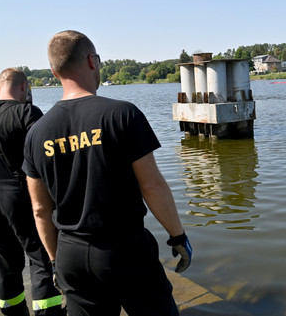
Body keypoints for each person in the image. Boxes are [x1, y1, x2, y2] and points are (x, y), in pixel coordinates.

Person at [22, 30, 193, 316]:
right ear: (92, 61)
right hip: (124, 249)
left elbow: (40, 210)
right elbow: (152, 186)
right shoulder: (122, 115)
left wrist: (56, 261)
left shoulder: (36, 133)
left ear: (54, 71)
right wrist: (177, 236)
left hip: (71, 254)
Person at [0, 68, 64, 316]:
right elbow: (46, 158)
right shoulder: (27, 113)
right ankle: (48, 311)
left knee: (3, 259)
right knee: (39, 255)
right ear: (24, 87)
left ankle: (13, 311)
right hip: (20, 193)